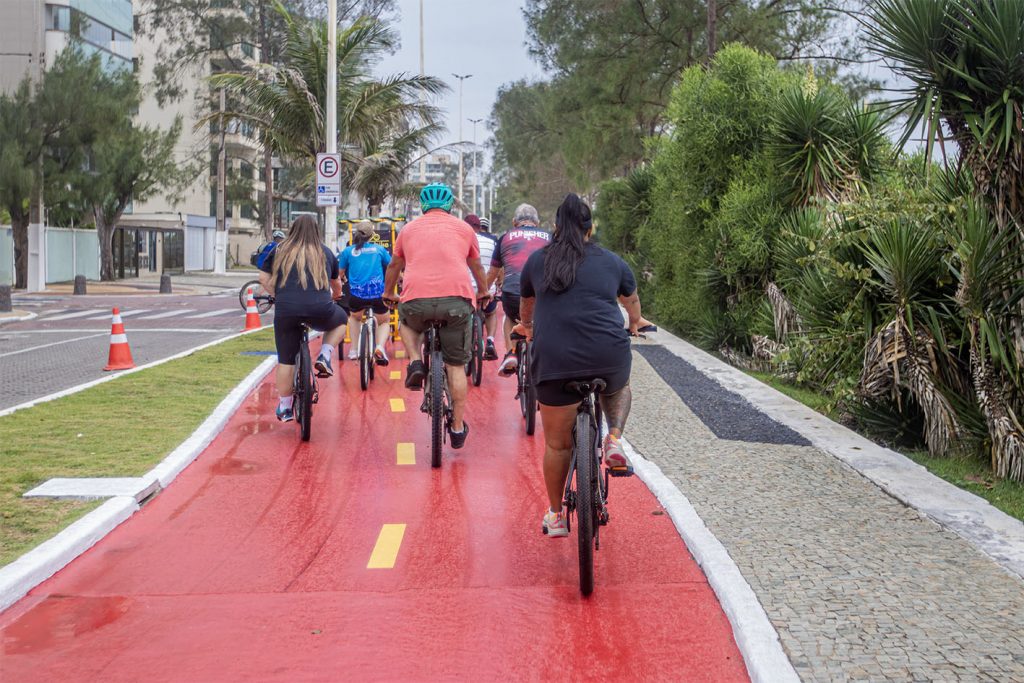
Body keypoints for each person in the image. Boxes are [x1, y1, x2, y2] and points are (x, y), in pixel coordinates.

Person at [514, 193, 642, 538]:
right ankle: (613, 439)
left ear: (555, 227)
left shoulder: (537, 262)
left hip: (554, 360)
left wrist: (527, 329)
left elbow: (526, 307)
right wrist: (636, 322)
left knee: (557, 445)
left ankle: (556, 515)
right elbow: (630, 301)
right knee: (619, 386)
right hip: (607, 355)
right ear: (590, 228)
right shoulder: (613, 262)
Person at [383, 183, 489, 449]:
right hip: (456, 301)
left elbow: (395, 265)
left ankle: (416, 361)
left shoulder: (408, 230)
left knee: (405, 322)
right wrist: (484, 291)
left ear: (423, 205)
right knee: (455, 367)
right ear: (450, 205)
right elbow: (476, 265)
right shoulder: (464, 228)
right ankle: (456, 428)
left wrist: (388, 293)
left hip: (415, 299)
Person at [258, 215, 347, 422]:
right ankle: (325, 355)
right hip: (320, 309)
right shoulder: (325, 252)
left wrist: (278, 294)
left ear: (292, 230)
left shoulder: (278, 249)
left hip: (286, 310)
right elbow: (336, 284)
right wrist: (335, 296)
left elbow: (263, 278)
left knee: (286, 360)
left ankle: (286, 407)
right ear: (317, 230)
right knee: (341, 318)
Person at [486, 203, 551, 375]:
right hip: (544, 295)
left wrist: (483, 292)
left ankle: (511, 353)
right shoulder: (550, 237)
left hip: (513, 293)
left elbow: (493, 272)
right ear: (537, 222)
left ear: (515, 222)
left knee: (509, 317)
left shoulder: (505, 237)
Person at [338, 220, 393, 365]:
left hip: (357, 296)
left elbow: (339, 273)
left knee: (355, 318)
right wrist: (401, 279)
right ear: (371, 235)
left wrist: (343, 278)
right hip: (378, 296)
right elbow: (393, 267)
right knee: (384, 321)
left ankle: (354, 349)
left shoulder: (348, 251)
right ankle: (380, 347)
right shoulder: (380, 250)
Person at [464, 214, 499, 360]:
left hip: (465, 290)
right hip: (487, 289)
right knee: (491, 313)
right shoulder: (492, 243)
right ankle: (490, 341)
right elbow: (498, 267)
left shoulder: (462, 241)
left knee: (461, 317)